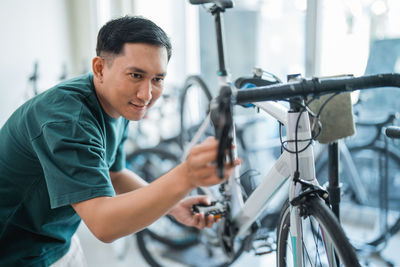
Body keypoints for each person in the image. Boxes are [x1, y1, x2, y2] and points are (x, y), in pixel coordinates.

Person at [0, 16, 239, 266]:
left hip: (56, 240)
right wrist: (186, 176)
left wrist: (173, 206)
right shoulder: (68, 121)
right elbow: (104, 224)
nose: (146, 95)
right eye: (136, 75)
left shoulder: (117, 103)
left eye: (157, 79)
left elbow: (114, 174)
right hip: (15, 252)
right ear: (100, 68)